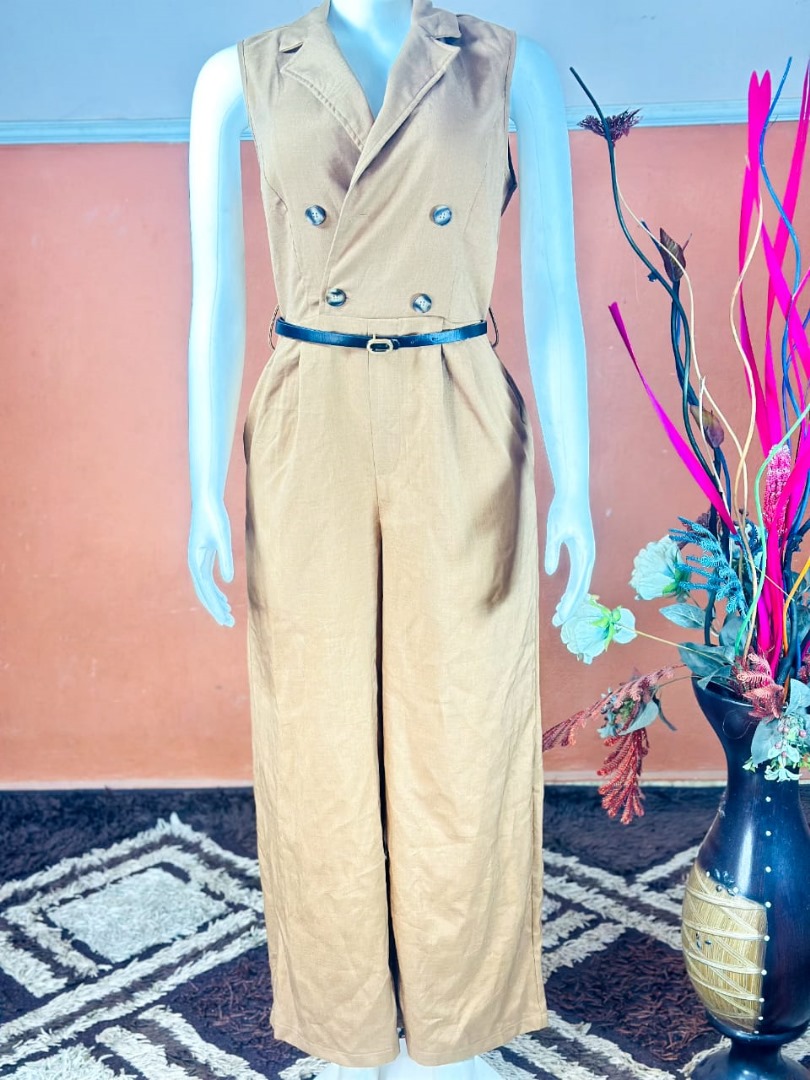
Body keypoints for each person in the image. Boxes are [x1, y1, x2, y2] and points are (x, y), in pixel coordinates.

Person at [187, 1, 595, 1077]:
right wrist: (200, 488)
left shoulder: (508, 65)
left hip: (453, 396)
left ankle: (459, 1025)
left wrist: (577, 484)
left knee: (463, 720)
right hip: (310, 402)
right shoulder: (237, 75)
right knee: (315, 731)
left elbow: (554, 289)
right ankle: (345, 1024)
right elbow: (214, 295)